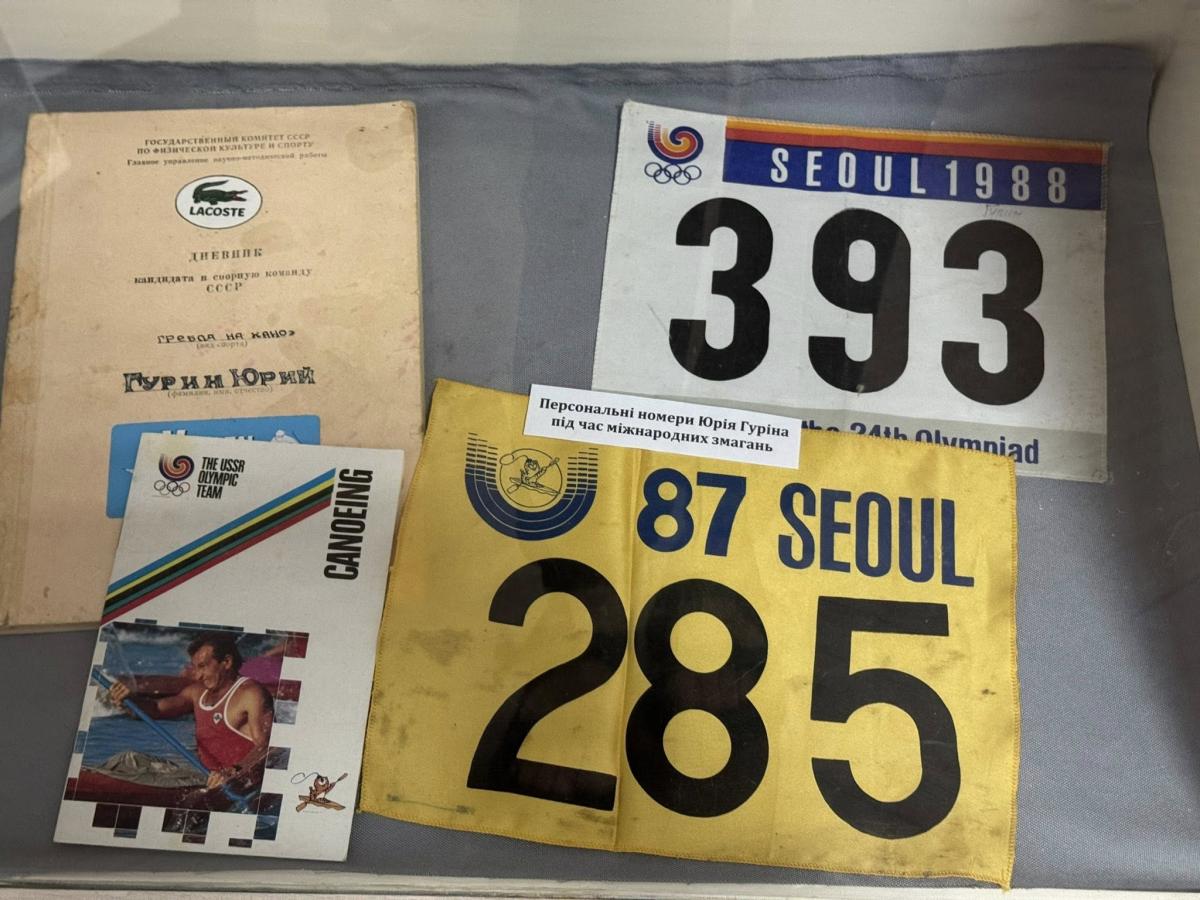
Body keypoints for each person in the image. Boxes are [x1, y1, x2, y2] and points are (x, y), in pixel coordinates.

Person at [108, 630, 273, 791]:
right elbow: (156, 709)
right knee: (127, 759)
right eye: (195, 668)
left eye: (203, 666)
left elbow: (266, 747)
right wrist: (130, 700)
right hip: (203, 776)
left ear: (227, 662)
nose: (198, 675)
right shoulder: (197, 692)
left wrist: (233, 772)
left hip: (234, 782)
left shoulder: (251, 694)